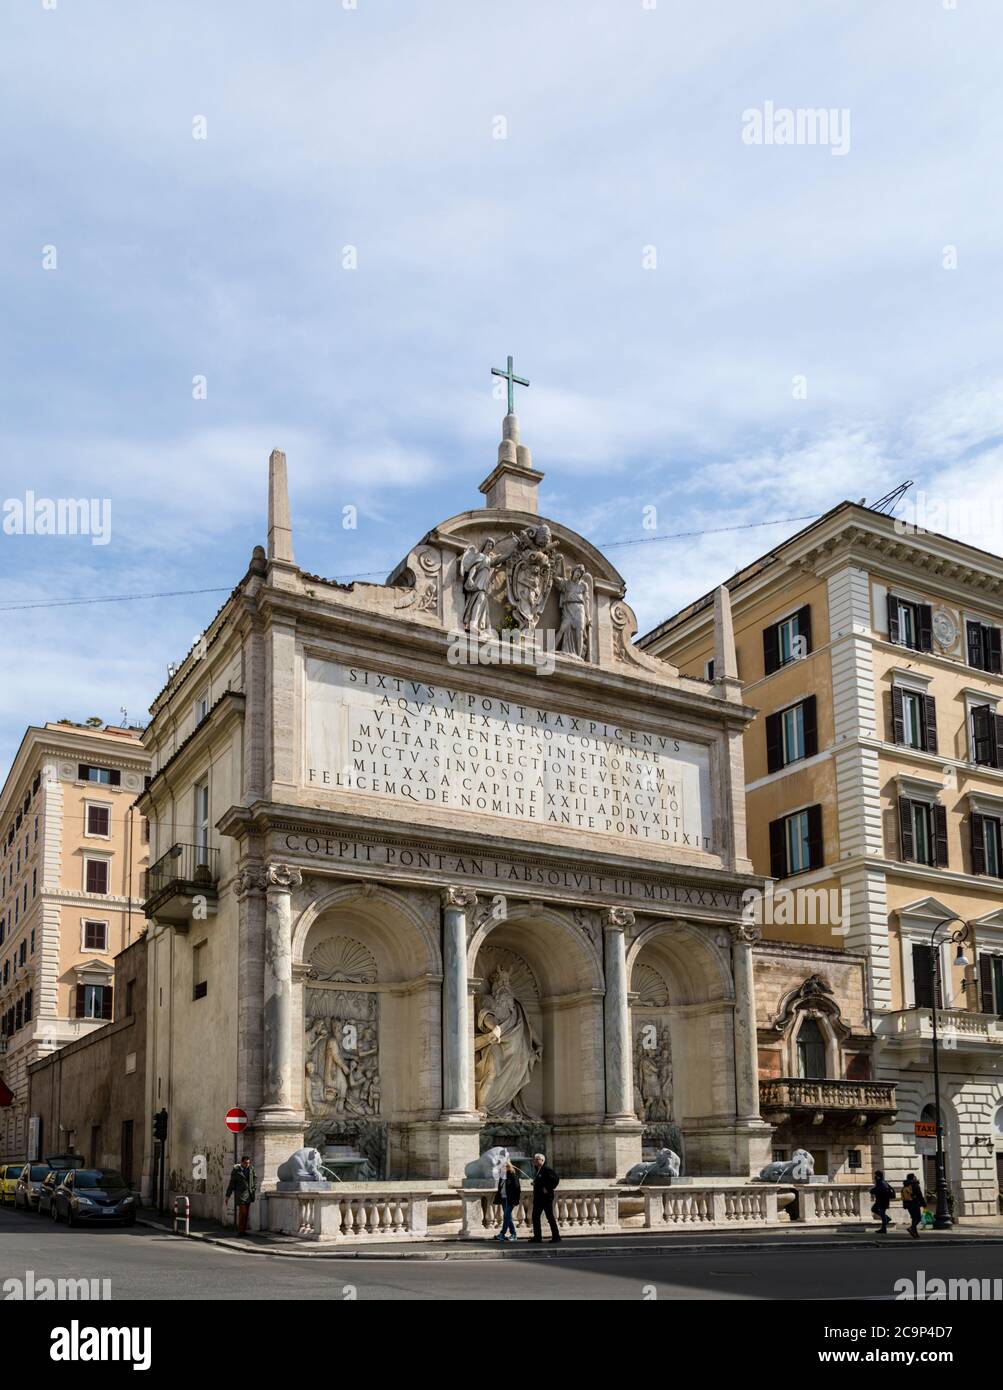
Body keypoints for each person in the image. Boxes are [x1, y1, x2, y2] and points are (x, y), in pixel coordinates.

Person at [529, 1152, 560, 1243]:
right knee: (535, 1216)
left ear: (542, 1160)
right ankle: (537, 1237)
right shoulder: (538, 1170)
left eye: (537, 1159)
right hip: (538, 1198)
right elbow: (541, 1181)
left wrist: (548, 1188)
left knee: (550, 1217)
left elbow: (556, 1179)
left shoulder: (547, 1169)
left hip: (546, 1198)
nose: (534, 1160)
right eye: (534, 1159)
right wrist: (535, 1183)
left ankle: (556, 1236)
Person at [225, 1155, 256, 1234]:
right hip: (240, 1194)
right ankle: (240, 1231)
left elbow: (255, 1178)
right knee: (243, 1213)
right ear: (242, 1162)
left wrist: (253, 1188)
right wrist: (227, 1195)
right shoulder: (236, 1171)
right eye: (246, 1163)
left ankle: (243, 1231)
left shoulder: (251, 1169)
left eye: (248, 1163)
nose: (247, 1164)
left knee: (246, 1214)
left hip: (249, 1194)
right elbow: (231, 1184)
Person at [494, 1161, 522, 1242]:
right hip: (503, 1199)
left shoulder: (512, 1175)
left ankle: (502, 1234)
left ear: (508, 1167)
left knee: (506, 1216)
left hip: (510, 1200)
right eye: (502, 1167)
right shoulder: (502, 1177)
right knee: (508, 1217)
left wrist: (515, 1201)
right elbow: (500, 1188)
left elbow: (517, 1189)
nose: (503, 1168)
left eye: (505, 1166)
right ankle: (513, 1234)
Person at [901, 1171, 926, 1238]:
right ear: (913, 1178)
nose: (915, 1177)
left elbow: (903, 1196)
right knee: (918, 1218)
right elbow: (919, 1195)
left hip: (908, 1204)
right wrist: (924, 1204)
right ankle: (911, 1228)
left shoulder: (905, 1185)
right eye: (914, 1176)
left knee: (914, 1218)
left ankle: (915, 1234)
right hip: (915, 1203)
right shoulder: (915, 1185)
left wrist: (904, 1205)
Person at [870, 1169, 894, 1234]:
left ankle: (884, 1229)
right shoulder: (880, 1182)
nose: (874, 1177)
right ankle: (887, 1219)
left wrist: (873, 1191)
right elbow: (876, 1189)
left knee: (882, 1214)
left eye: (875, 1175)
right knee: (874, 1209)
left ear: (878, 1176)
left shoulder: (882, 1183)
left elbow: (880, 1190)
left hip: (883, 1201)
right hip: (880, 1201)